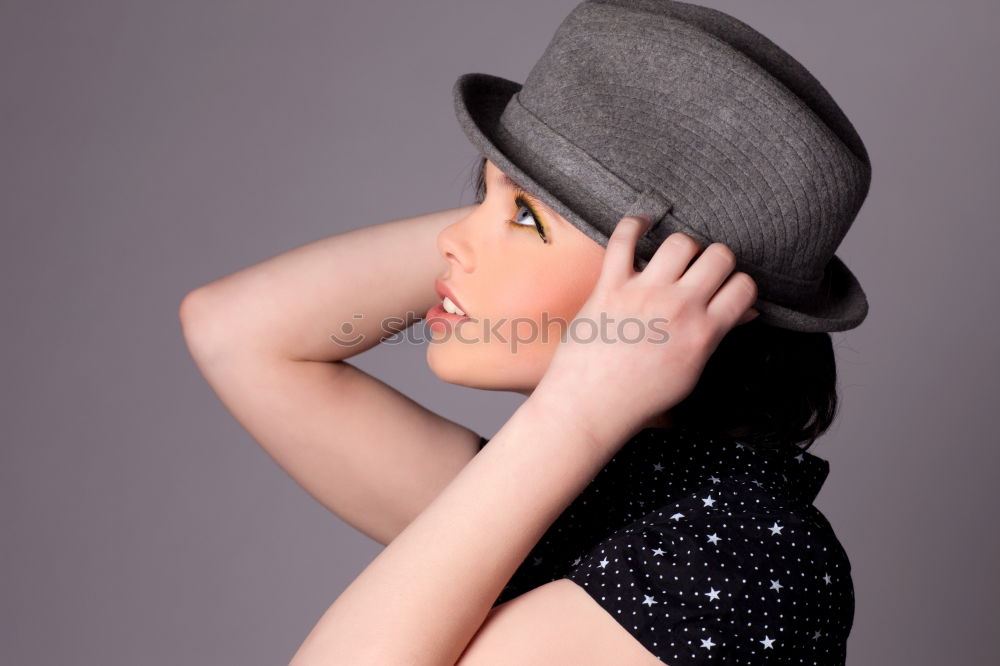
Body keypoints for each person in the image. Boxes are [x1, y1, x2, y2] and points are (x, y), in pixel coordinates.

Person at [180, 1, 869, 663]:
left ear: (682, 294)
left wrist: (578, 407)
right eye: (484, 195)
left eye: (525, 220)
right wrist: (545, 186)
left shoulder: (742, 555)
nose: (451, 239)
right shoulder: (588, 491)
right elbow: (236, 330)